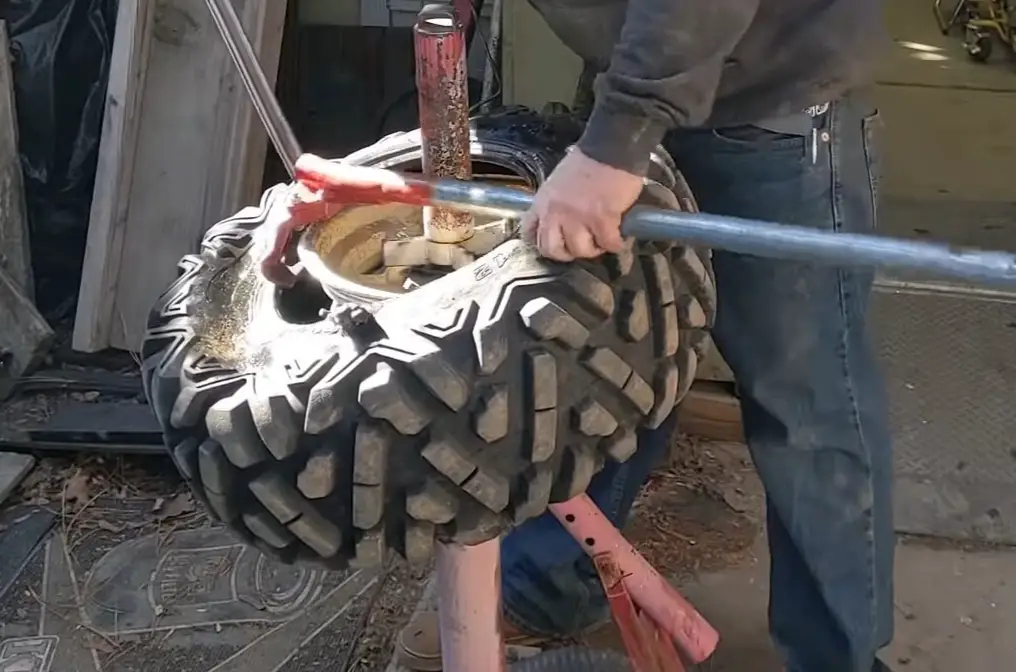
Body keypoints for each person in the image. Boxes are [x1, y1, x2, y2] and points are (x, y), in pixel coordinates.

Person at [265, 1, 895, 669]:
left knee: (808, 406)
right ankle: (546, 589)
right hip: (638, 79)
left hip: (770, 104)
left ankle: (837, 655)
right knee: (607, 357)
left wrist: (618, 140)